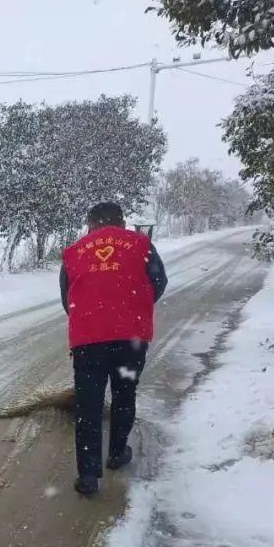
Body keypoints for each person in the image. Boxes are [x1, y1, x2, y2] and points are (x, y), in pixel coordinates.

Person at [60, 202, 167, 497]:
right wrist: (133, 307)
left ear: (90, 223)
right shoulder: (141, 244)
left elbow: (66, 295)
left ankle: (88, 477)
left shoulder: (75, 250)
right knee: (123, 394)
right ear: (120, 222)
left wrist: (88, 317)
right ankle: (117, 453)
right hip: (130, 338)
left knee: (88, 405)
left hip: (88, 338)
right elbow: (159, 281)